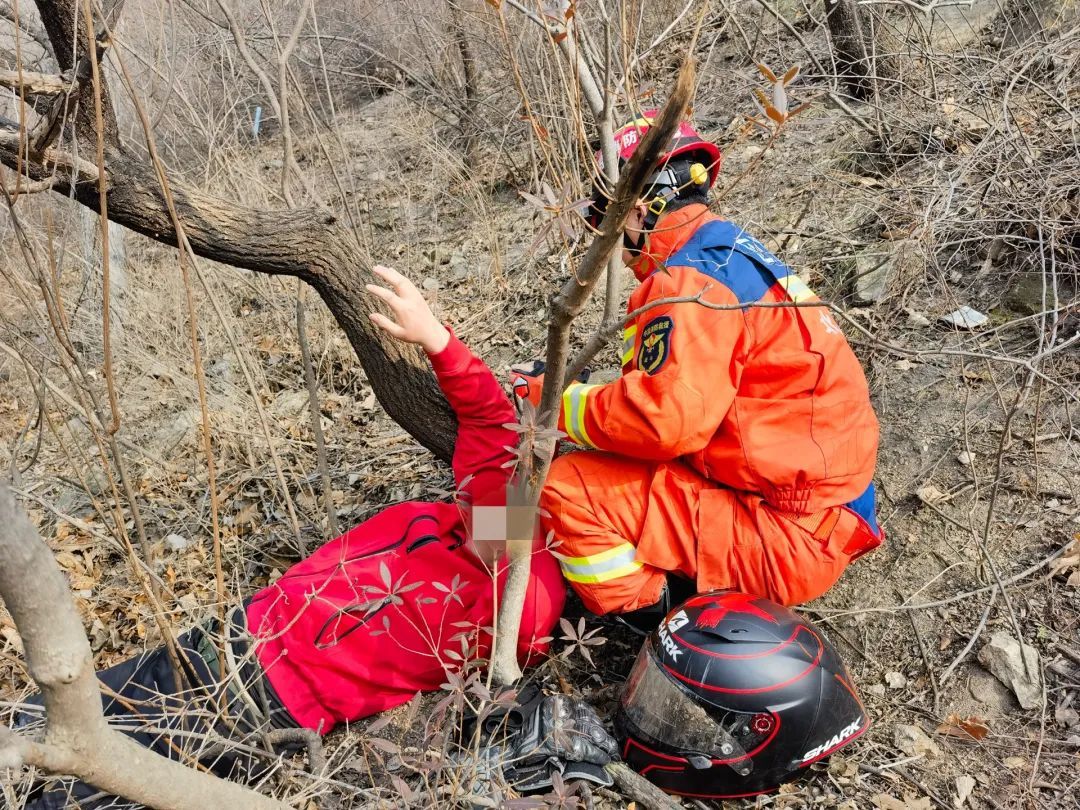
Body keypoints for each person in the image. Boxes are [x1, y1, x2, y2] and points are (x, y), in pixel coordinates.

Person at [11, 267, 618, 809]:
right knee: (41, 721)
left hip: (262, 699)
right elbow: (488, 422)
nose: (518, 443)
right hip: (239, 631)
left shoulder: (525, 584)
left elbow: (503, 545)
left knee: (77, 786)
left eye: (539, 437)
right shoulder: (501, 515)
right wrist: (438, 339)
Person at [513, 113, 883, 627]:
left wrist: (548, 403)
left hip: (787, 534)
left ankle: (663, 617)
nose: (609, 248)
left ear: (636, 213)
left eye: (606, 227)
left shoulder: (684, 281)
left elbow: (662, 423)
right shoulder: (728, 253)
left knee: (562, 487)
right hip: (821, 510)